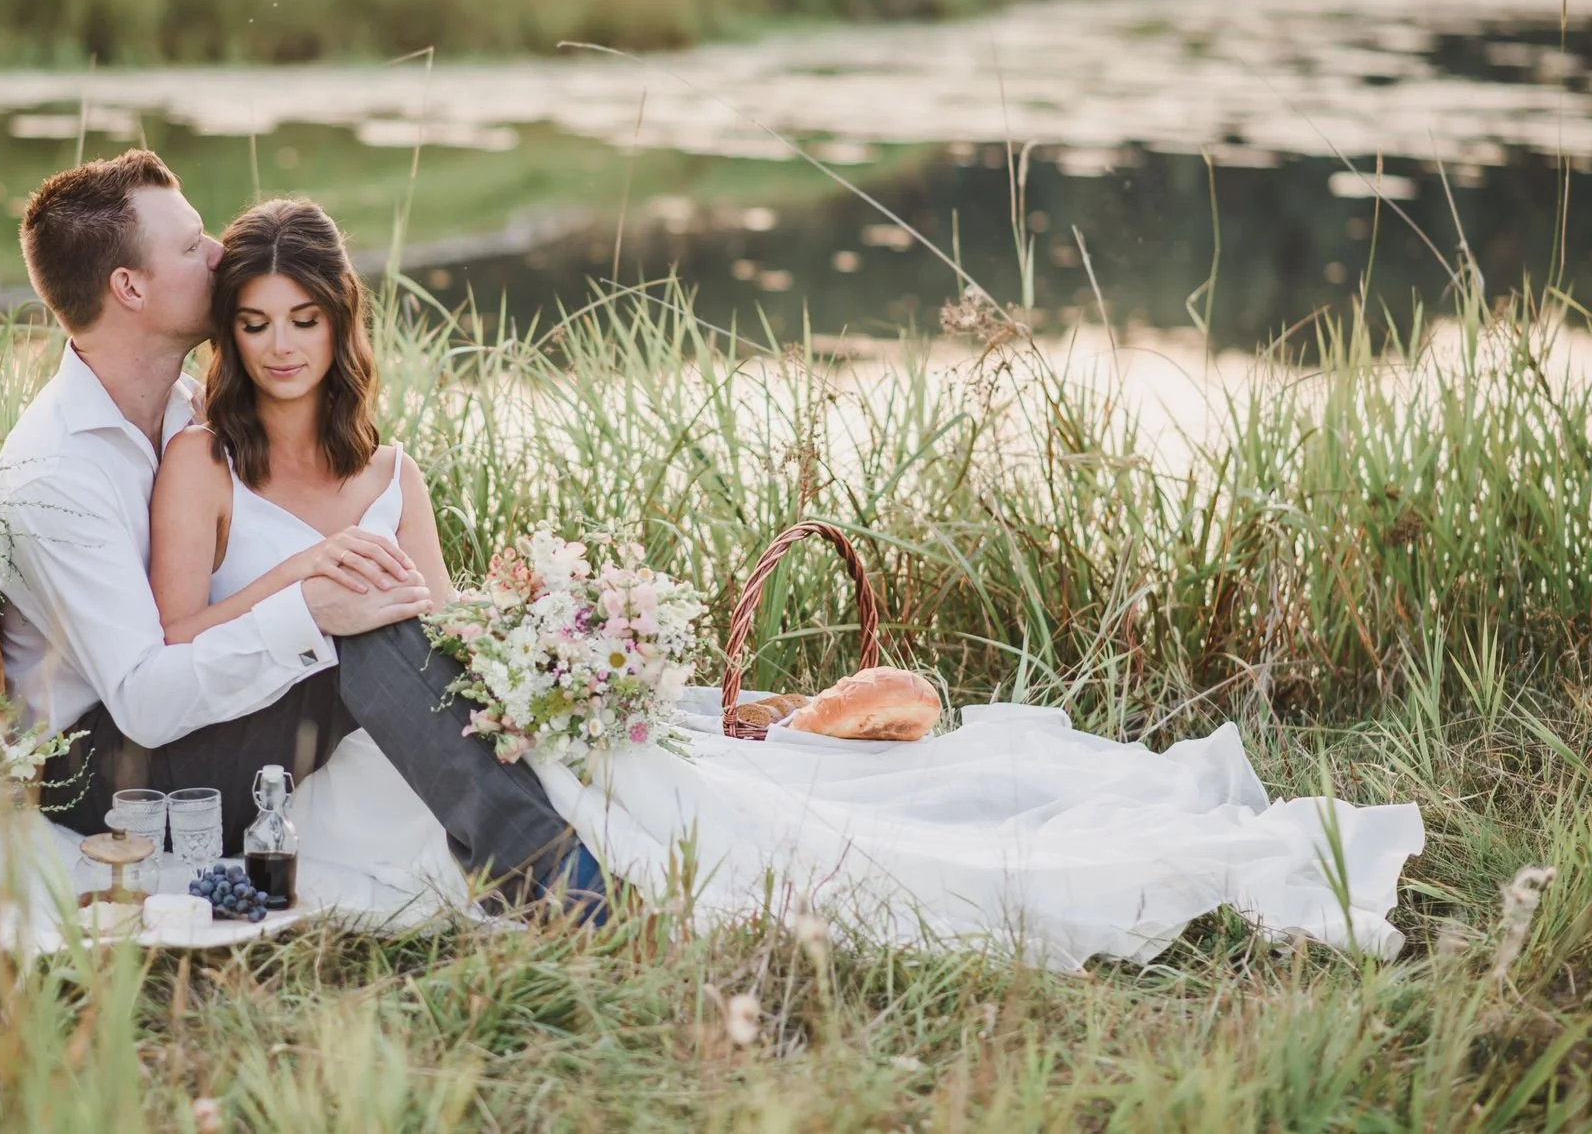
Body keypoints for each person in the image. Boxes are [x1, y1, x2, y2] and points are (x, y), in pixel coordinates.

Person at [134, 189, 1429, 970]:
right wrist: (306, 585)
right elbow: (176, 634)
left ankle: (571, 865)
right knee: (377, 680)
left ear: (339, 321)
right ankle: (548, 877)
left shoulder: (390, 467)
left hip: (416, 710)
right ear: (229, 335)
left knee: (626, 766)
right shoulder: (203, 461)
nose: (283, 345)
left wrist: (527, 636)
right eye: (255, 322)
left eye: (304, 318)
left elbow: (439, 626)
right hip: (295, 731)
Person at [0, 150, 604, 918]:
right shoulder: (54, 475)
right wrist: (309, 602)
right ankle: (563, 890)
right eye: (191, 244)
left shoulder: (181, 406)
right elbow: (144, 699)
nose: (218, 254)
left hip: (190, 724)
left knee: (360, 607)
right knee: (351, 613)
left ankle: (559, 858)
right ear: (129, 287)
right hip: (98, 770)